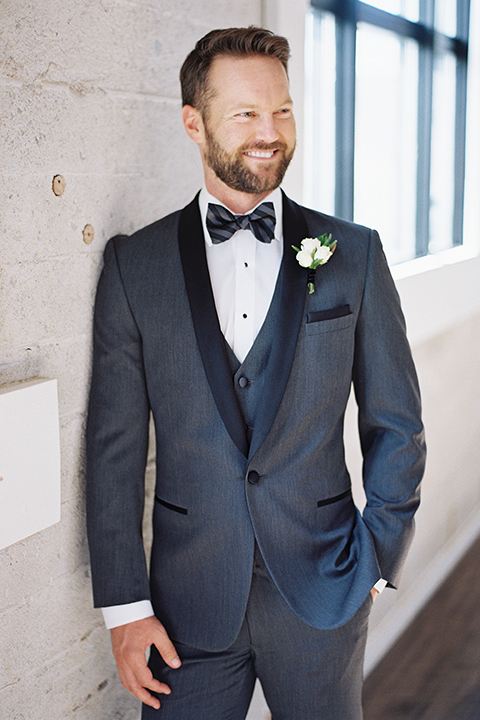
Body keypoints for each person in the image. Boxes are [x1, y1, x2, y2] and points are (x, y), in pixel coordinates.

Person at [86, 26, 426, 720]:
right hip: (183, 613)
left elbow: (397, 423)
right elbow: (113, 450)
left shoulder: (351, 255)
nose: (269, 132)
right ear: (194, 122)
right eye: (245, 113)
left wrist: (377, 559)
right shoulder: (134, 267)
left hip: (326, 593)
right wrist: (125, 609)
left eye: (282, 110)